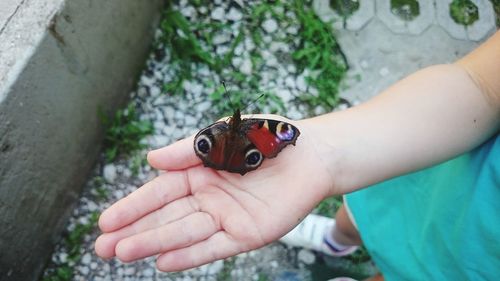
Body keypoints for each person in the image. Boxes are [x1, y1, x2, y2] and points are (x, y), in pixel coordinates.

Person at [95, 31, 500, 280]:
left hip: (473, 267)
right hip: (447, 176)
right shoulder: (262, 133)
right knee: (369, 212)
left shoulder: (237, 133)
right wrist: (323, 153)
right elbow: (480, 84)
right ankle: (337, 239)